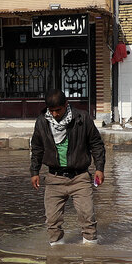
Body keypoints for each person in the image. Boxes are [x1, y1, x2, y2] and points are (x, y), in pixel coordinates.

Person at [30, 89, 106, 245]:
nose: (56, 114)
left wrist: (99, 168)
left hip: (80, 177)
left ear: (66, 104)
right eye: (52, 111)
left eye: (58, 110)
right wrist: (34, 172)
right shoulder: (42, 122)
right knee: (52, 221)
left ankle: (91, 257)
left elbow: (96, 144)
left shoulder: (82, 118)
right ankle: (56, 258)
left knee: (87, 217)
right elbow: (37, 148)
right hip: (54, 178)